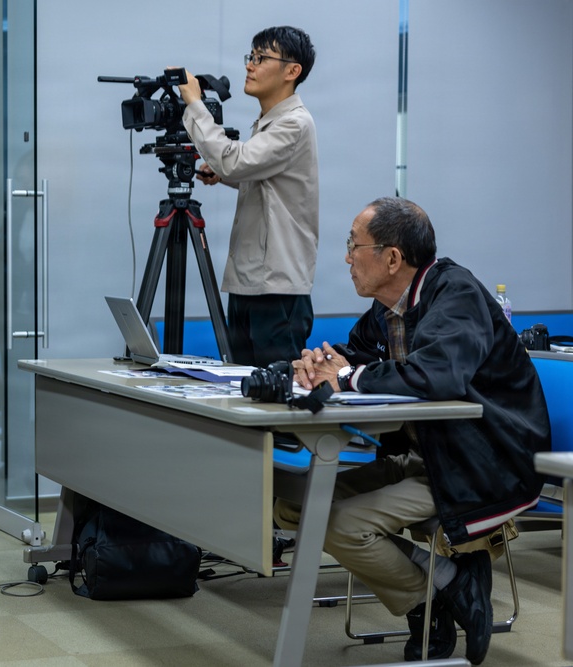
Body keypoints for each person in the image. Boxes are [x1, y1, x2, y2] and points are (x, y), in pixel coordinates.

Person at [276, 197, 551, 664]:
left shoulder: (455, 294)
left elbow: (437, 375)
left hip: (484, 463)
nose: (346, 257)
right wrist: (312, 365)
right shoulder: (389, 307)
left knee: (338, 523)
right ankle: (447, 582)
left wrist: (345, 378)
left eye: (353, 245)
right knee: (293, 503)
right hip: (433, 455)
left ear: (392, 258)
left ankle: (428, 603)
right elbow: (353, 356)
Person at [176, 26, 318, 367]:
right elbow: (266, 185)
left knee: (276, 396)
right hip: (250, 283)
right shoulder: (268, 122)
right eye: (250, 57)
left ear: (292, 71)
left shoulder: (294, 123)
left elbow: (233, 158)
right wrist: (227, 175)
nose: (249, 66)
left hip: (276, 290)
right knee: (242, 388)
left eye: (260, 58)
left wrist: (195, 104)